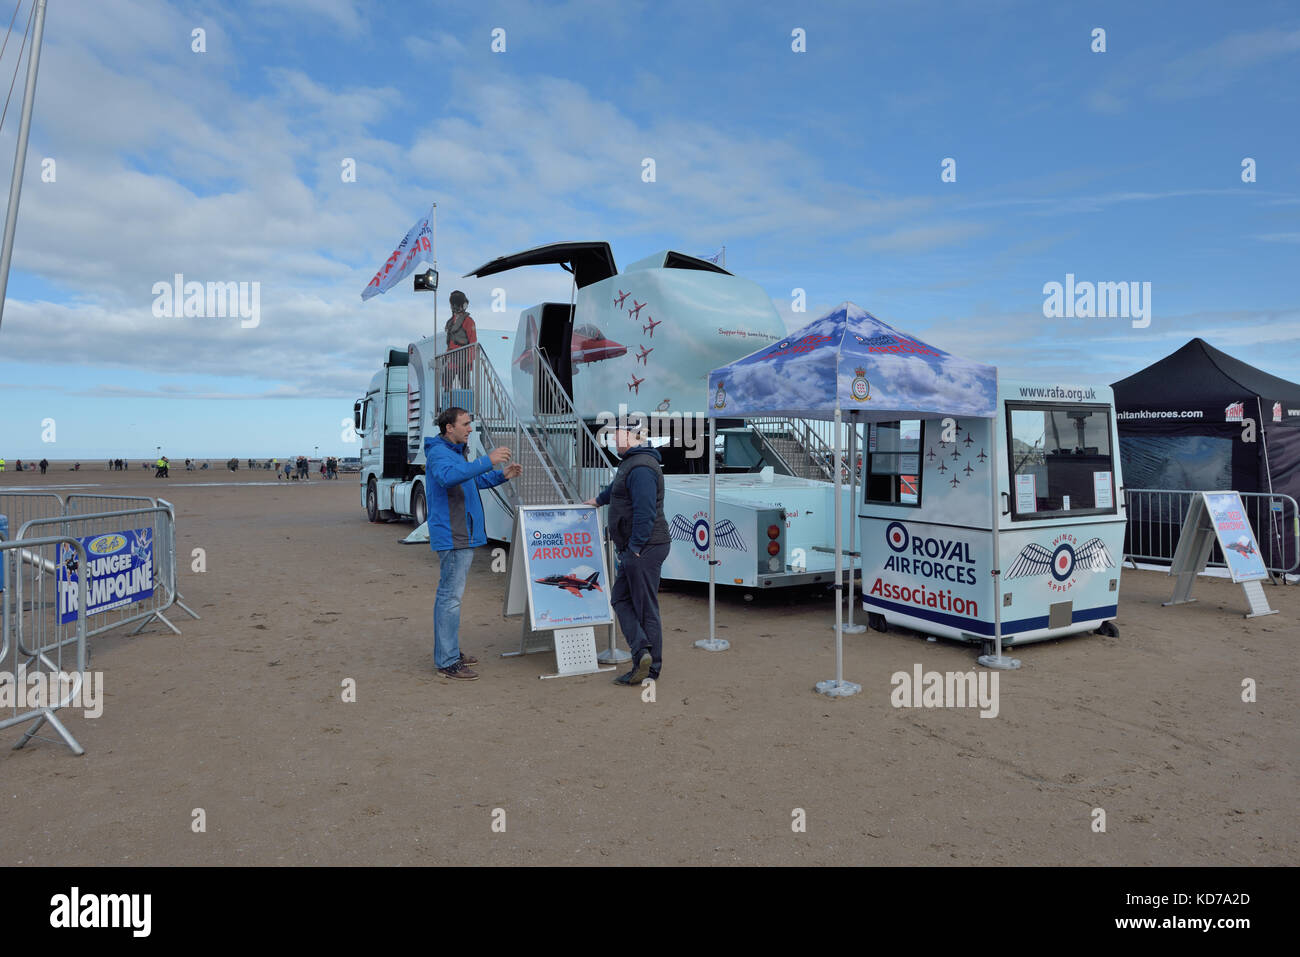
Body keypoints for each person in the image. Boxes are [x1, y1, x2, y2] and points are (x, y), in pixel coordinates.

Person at [425, 407, 522, 680]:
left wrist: (502, 475)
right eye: (465, 424)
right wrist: (488, 460)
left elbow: (473, 479)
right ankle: (447, 661)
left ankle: (450, 653)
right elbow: (448, 478)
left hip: (461, 533)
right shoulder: (438, 453)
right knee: (450, 598)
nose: (470, 429)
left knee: (451, 597)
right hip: (454, 534)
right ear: (449, 428)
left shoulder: (456, 452)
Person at [585, 424, 672, 686]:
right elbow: (616, 489)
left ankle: (650, 666)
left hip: (643, 548)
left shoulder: (642, 467)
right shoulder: (632, 463)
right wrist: (598, 501)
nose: (613, 438)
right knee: (621, 599)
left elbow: (645, 512)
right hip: (639, 548)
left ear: (634, 438)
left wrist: (635, 547)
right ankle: (642, 651)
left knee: (644, 607)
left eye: (617, 434)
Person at [443, 290, 477, 391]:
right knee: (446, 385)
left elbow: (473, 342)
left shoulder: (468, 321)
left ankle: (466, 405)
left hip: (463, 359)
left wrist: (469, 362)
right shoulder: (450, 322)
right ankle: (447, 404)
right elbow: (449, 343)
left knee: (465, 386)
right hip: (451, 359)